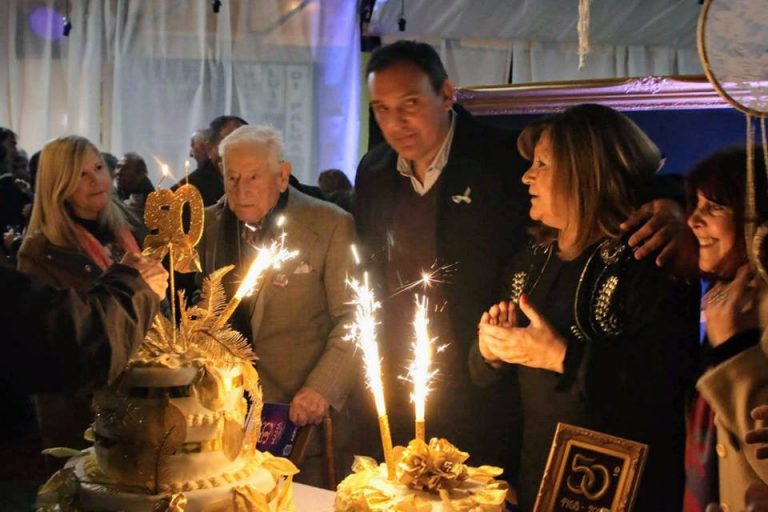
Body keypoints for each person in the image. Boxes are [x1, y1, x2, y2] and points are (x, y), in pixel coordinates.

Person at [354, 40, 688, 476]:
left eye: (410, 103)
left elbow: (610, 179)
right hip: (414, 377)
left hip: (501, 410)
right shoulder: (374, 170)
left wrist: (675, 204)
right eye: (381, 109)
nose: (395, 122)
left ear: (447, 94)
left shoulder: (503, 156)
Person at [468, 104, 699, 511]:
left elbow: (664, 385)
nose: (526, 176)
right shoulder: (530, 261)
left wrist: (562, 356)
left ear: (585, 172)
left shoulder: (648, 257)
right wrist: (489, 351)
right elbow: (485, 380)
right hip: (538, 482)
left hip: (623, 491)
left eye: (542, 164)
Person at [196, 124, 359, 486]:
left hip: (300, 421)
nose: (241, 190)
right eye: (232, 177)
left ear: (282, 176)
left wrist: (322, 388)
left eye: (254, 177)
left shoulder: (330, 224)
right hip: (223, 424)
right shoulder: (207, 226)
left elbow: (354, 317)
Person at [16, 135, 145, 462]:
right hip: (84, 406)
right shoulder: (41, 251)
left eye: (99, 168)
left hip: (144, 392)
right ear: (58, 184)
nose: (96, 180)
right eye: (81, 174)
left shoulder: (129, 227)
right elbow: (50, 344)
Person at [684, 147, 768, 512]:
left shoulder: (750, 315)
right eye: (695, 205)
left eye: (715, 206)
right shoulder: (726, 301)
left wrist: (736, 348)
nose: (693, 220)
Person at [4, 253, 167, 393]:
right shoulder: (40, 250)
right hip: (81, 403)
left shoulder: (115, 236)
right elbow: (71, 343)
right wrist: (135, 286)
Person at [114, 151, 155, 221]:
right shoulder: (117, 190)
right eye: (118, 166)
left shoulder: (147, 201)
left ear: (139, 174)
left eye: (126, 168)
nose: (119, 172)